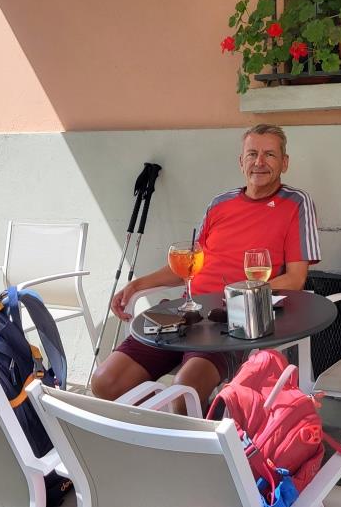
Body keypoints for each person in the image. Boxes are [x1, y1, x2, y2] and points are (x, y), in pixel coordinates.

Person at [90, 124, 320, 413]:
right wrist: (137, 284)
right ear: (241, 161)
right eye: (252, 154)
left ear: (284, 162)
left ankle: (197, 424)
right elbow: (190, 265)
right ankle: (180, 423)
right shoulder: (220, 204)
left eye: (270, 154)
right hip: (185, 312)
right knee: (105, 382)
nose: (259, 162)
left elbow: (296, 279)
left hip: (234, 320)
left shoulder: (296, 203)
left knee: (183, 394)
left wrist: (236, 295)